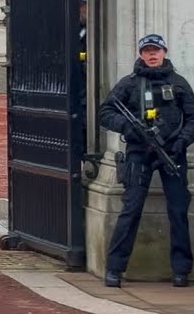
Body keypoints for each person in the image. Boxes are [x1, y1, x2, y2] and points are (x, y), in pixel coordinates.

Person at [98, 34, 193, 288]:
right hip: (139, 153)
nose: (152, 55)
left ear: (164, 52)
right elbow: (105, 112)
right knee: (130, 210)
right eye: (147, 51)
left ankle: (181, 270)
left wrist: (182, 142)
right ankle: (115, 269)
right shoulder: (129, 84)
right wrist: (127, 128)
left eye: (156, 51)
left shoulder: (179, 83)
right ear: (141, 54)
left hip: (172, 153)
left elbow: (193, 118)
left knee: (178, 211)